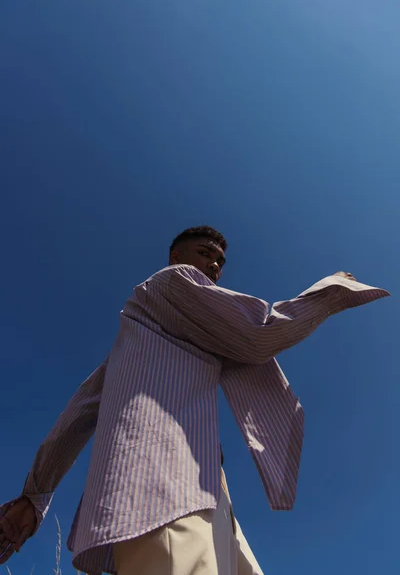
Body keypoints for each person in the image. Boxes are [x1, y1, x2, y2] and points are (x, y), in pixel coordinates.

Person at [0, 226, 389, 575]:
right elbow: (257, 336)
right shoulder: (174, 281)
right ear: (176, 257)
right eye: (204, 252)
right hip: (161, 482)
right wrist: (331, 291)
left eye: (220, 260)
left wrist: (35, 494)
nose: (215, 265)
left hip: (197, 484)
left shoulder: (136, 336)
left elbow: (81, 411)